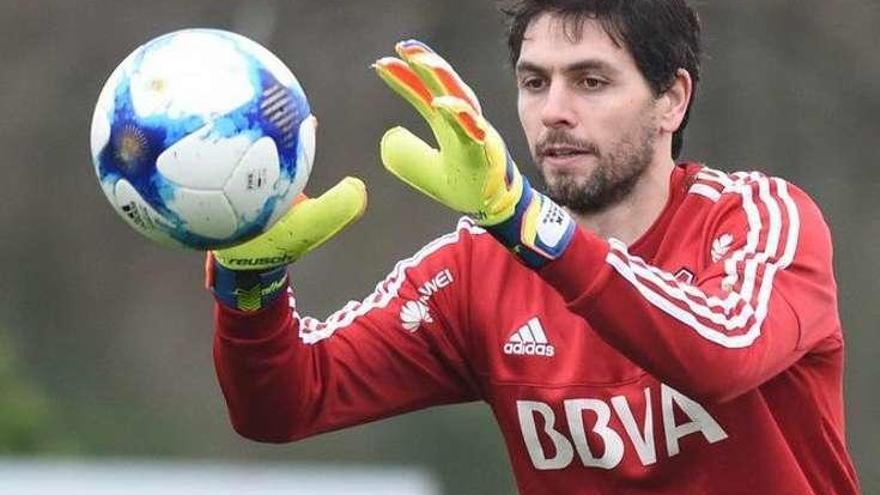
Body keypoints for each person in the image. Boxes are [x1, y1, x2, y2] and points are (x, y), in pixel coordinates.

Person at [205, 1, 860, 493]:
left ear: (672, 100)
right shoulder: (478, 268)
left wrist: (527, 223)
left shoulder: (761, 218)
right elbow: (286, 401)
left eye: (591, 81)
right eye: (536, 81)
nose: (554, 111)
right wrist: (251, 287)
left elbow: (721, 353)